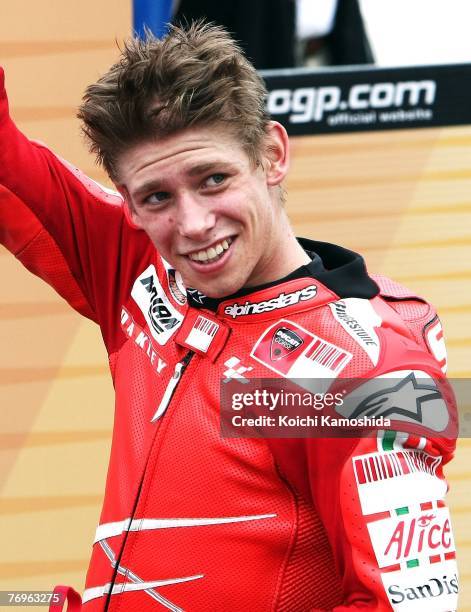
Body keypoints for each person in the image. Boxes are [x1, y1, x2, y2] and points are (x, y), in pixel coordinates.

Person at [0, 21, 459, 612]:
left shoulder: (359, 374)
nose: (192, 224)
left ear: (271, 155)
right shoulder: (139, 267)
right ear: (129, 199)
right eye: (157, 196)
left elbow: (410, 607)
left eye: (213, 180)